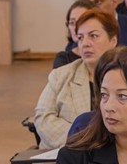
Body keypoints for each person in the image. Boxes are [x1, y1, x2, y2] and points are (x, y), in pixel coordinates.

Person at [35, 10, 119, 151]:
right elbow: (43, 118)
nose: (85, 43)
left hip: (116, 155)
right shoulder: (60, 76)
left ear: (113, 41)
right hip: (69, 153)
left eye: (93, 36)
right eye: (80, 38)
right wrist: (85, 139)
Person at [53, 0, 96, 69]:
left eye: (82, 21)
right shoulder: (63, 59)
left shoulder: (106, 57)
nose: (75, 27)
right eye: (72, 22)